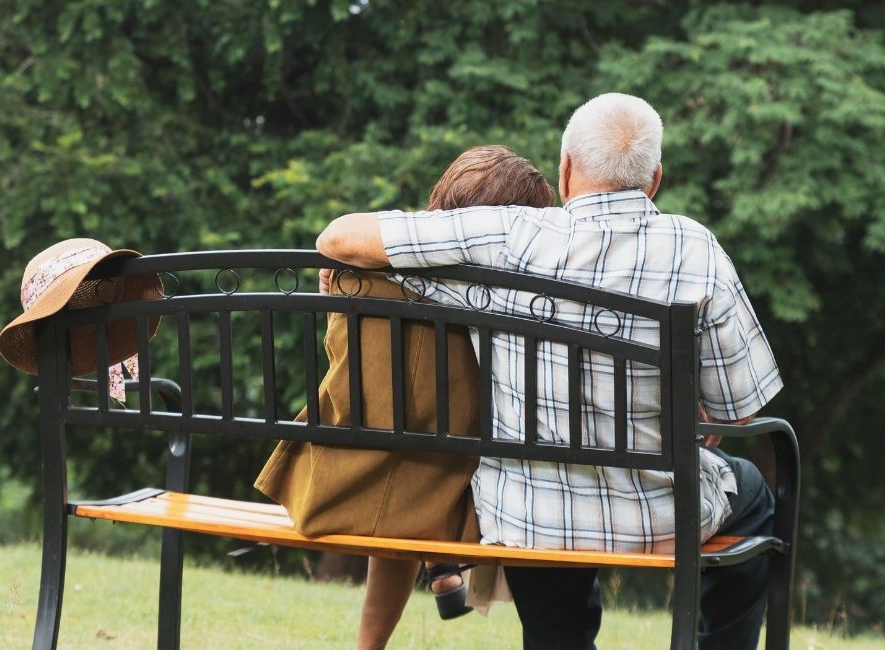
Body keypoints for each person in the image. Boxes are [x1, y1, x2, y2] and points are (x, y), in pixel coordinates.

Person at [315, 93, 783, 650]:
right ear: (654, 179)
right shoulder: (696, 249)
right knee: (752, 490)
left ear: (565, 170)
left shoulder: (506, 236)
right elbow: (741, 411)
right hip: (660, 516)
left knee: (546, 510)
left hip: (528, 518)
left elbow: (338, 238)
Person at [255, 145, 555, 649]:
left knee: (401, 453)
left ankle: (384, 630)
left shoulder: (360, 274)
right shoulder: (504, 297)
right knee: (428, 458)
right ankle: (441, 563)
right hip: (443, 494)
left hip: (333, 484)